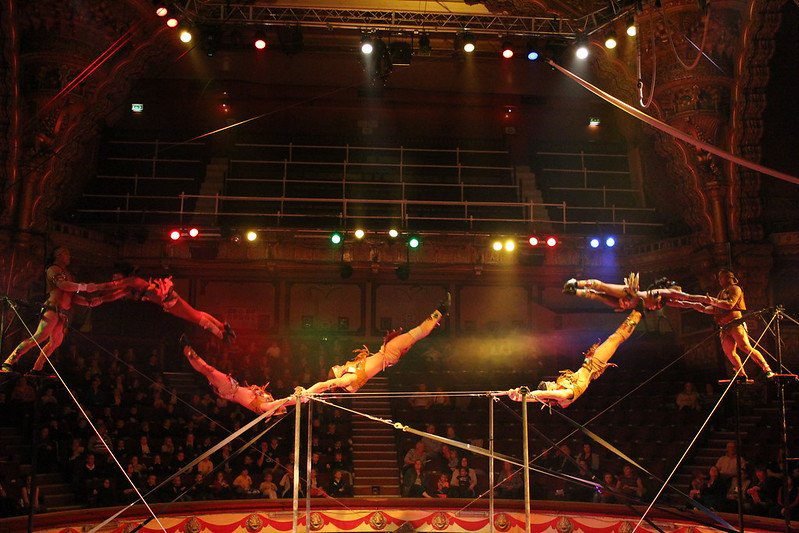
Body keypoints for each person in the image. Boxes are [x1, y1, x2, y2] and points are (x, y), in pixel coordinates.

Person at [181, 293, 450, 415]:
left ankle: (437, 316)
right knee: (414, 333)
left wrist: (298, 396)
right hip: (387, 355)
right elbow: (321, 386)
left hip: (386, 355)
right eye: (337, 369)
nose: (338, 366)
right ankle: (438, 313)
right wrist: (304, 394)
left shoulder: (354, 372)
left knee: (414, 336)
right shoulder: (347, 381)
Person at [1, 247, 127, 375]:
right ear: (58, 255)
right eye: (66, 253)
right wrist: (85, 287)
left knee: (55, 342)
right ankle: (9, 361)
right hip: (52, 309)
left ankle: (37, 368)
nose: (69, 256)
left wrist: (88, 302)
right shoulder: (53, 269)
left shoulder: (69, 274)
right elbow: (63, 285)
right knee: (39, 337)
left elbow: (71, 296)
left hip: (62, 312)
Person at [507, 310, 641, 408]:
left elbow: (540, 397)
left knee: (615, 339)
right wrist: (526, 394)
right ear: (551, 391)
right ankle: (639, 312)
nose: (552, 382)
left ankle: (638, 312)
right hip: (592, 365)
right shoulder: (565, 395)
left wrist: (518, 397)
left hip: (590, 367)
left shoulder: (560, 394)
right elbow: (542, 394)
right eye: (550, 384)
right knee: (615, 338)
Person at [92, 263, 235, 343]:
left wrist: (94, 287)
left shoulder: (133, 281)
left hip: (170, 301)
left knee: (198, 319)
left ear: (123, 275)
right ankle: (223, 326)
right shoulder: (130, 289)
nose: (114, 279)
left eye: (115, 276)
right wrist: (101, 299)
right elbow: (115, 294)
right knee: (197, 315)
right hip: (168, 302)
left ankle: (221, 335)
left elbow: (113, 286)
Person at [673, 270, 774, 379]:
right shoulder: (721, 293)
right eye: (719, 278)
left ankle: (766, 369)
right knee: (730, 352)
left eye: (722, 277)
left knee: (745, 347)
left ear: (729, 277)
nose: (720, 280)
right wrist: (697, 306)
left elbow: (729, 305)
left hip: (735, 323)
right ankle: (741, 374)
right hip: (725, 327)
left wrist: (711, 300)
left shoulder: (736, 288)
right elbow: (715, 308)